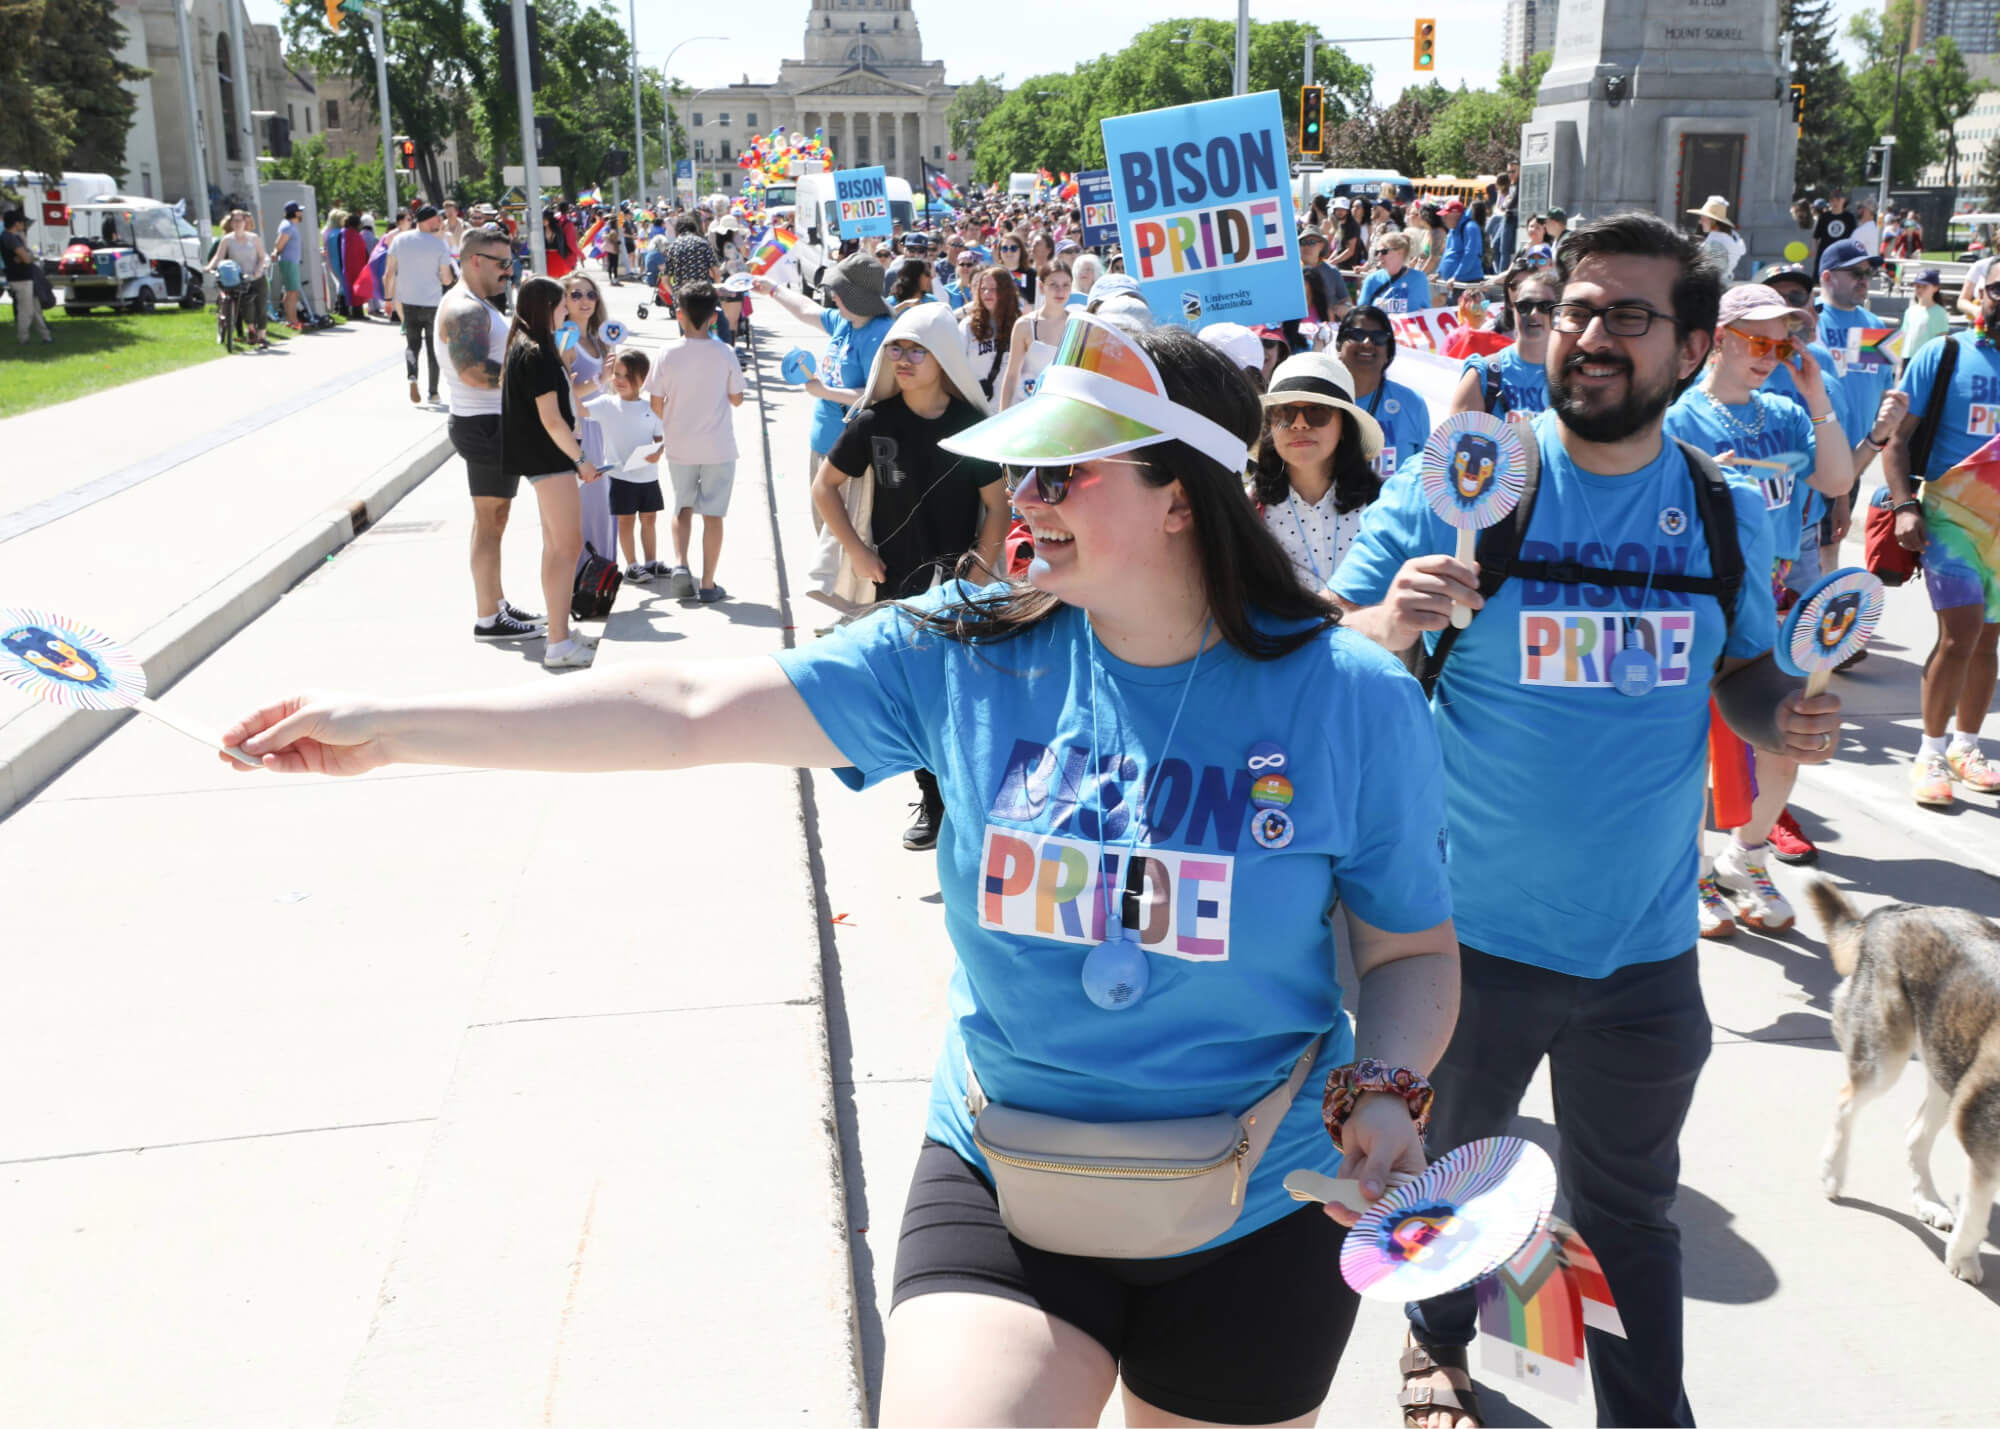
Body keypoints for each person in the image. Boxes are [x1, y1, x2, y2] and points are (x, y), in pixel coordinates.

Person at [221, 310, 1460, 1429]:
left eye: (1062, 470)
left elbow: (1406, 951)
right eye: (1019, 467)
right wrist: (395, 726)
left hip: (1255, 1204)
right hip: (1008, 1174)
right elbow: (688, 706)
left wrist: (1389, 1091)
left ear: (1180, 492)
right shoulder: (962, 651)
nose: (1020, 500)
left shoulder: (1346, 698)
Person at [1333, 211, 1838, 1429]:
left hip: (1644, 955)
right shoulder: (1472, 479)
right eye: (1572, 309)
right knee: (1449, 1182)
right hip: (1468, 947)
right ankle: (1434, 1344)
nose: (1591, 335)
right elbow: (1323, 653)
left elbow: (1746, 672)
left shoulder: (1718, 508)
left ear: (1688, 346)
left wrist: (1788, 716)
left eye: (1626, 315)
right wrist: (1391, 619)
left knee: (1630, 1211)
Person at [1662, 283, 1854, 936]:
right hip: (1695, 605)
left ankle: (1745, 855)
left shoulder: (1786, 413)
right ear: (1719, 338)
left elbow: (1834, 482)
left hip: (1772, 609)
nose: (1770, 353)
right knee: (1688, 747)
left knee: (1783, 743)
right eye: (1757, 339)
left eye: (1781, 341)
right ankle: (1687, 872)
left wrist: (1819, 398)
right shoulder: (1679, 417)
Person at [812, 302, 1010, 850]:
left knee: (962, 700)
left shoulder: (972, 429)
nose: (901, 358)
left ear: (943, 357)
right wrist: (858, 552)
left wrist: (980, 569)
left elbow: (998, 507)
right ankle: (934, 798)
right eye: (895, 347)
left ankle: (962, 798)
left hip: (959, 591)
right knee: (915, 700)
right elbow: (824, 488)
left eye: (915, 349)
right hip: (895, 586)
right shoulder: (876, 422)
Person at [1881, 274, 2000, 806]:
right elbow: (1896, 440)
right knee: (1961, 634)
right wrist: (1905, 504)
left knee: (1988, 641)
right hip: (1951, 515)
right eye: (1999, 287)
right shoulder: (1945, 352)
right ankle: (1929, 753)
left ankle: (1966, 747)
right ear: (1980, 294)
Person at [440, 226, 543, 642]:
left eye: (511, 262)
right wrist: (532, 378)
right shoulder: (465, 309)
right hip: (483, 425)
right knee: (490, 523)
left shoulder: (480, 304)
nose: (509, 270)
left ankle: (495, 602)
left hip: (490, 424)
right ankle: (489, 618)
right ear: (475, 261)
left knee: (493, 521)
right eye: (502, 263)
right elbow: (471, 371)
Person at [500, 275, 602, 669]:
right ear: (546, 308)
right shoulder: (537, 351)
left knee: (557, 548)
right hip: (551, 461)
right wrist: (581, 459)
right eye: (562, 305)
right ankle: (558, 643)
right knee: (566, 547)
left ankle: (560, 632)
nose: (567, 310)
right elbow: (552, 420)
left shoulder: (531, 346)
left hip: (545, 460)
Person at [755, 253, 894, 503]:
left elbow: (875, 395)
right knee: (825, 531)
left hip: (851, 454)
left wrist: (825, 391)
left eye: (838, 291)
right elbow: (806, 309)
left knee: (844, 535)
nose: (833, 296)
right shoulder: (845, 320)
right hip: (823, 445)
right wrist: (773, 289)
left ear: (856, 297)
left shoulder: (879, 334)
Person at [645, 279, 745, 602]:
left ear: (679, 315)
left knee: (682, 507)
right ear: (714, 317)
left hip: (679, 445)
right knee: (714, 515)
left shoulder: (665, 353)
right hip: (718, 447)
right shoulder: (725, 353)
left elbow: (655, 403)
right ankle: (708, 584)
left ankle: (680, 564)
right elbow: (737, 399)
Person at [1253, 352, 1388, 587]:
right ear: (1270, 426)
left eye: (1317, 411)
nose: (1299, 423)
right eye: (1285, 412)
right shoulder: (1246, 510)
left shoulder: (1384, 507)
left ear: (1344, 425)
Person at [582, 349, 667, 584]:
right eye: (616, 374)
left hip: (648, 475)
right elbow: (578, 408)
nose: (620, 381)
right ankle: (631, 565)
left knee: (649, 519)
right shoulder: (606, 404)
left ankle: (651, 562)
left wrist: (659, 451)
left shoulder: (652, 407)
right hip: (621, 477)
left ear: (643, 380)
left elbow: (659, 438)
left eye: (627, 376)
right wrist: (598, 378)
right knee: (626, 520)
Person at [1447, 258, 1556, 423]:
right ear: (1512, 307)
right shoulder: (1482, 374)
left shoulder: (1572, 377)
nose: (1534, 314)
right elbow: (1456, 444)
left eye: (1545, 306)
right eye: (1525, 306)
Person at [1336, 306, 1431, 482]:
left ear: (1389, 352)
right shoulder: (1321, 401)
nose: (1367, 343)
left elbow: (1424, 477)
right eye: (1357, 334)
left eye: (1379, 338)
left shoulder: (1412, 404)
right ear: (1339, 346)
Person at [386, 204, 457, 406]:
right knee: (433, 348)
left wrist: (388, 299)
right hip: (432, 303)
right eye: (436, 219)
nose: (440, 222)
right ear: (428, 220)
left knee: (412, 345)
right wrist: (450, 278)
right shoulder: (438, 245)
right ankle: (433, 393)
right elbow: (445, 279)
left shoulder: (399, 240)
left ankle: (412, 376)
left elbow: (389, 272)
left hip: (408, 301)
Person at [999, 260, 1072, 408]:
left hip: (1063, 410)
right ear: (1041, 286)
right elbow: (1012, 374)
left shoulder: (1077, 324)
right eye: (1053, 285)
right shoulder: (1024, 325)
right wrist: (1002, 414)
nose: (1060, 291)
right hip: (1029, 408)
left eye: (1066, 285)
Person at [207, 211, 270, 351]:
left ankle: (261, 337)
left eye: (239, 220)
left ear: (244, 222)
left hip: (256, 276)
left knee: (261, 307)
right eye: (234, 221)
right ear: (231, 223)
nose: (237, 223)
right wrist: (209, 267)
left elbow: (261, 256)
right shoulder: (227, 239)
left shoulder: (254, 238)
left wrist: (259, 271)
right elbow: (218, 257)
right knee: (246, 306)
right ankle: (251, 330)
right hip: (240, 278)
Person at [956, 264, 1019, 403]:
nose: (986, 294)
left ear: (1006, 292)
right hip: (979, 406)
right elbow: (958, 369)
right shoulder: (967, 326)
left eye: (993, 289)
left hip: (1011, 406)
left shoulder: (1020, 325)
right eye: (983, 289)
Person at [3, 210, 51, 346]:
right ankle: (23, 339)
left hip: (26, 277)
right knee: (26, 310)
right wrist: (27, 255)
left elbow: (24, 256)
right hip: (20, 279)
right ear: (16, 223)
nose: (24, 225)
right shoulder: (9, 238)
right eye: (22, 222)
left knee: (36, 309)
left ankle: (46, 336)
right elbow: (26, 258)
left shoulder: (16, 237)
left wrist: (25, 253)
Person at [1356, 233, 1430, 315]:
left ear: (1400, 252)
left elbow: (1426, 312)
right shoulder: (1372, 279)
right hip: (1381, 327)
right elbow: (1361, 313)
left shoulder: (1419, 279)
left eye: (1384, 252)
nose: (1379, 256)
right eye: (1377, 252)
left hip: (1406, 327)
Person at [1686, 195, 1745, 280]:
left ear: (1713, 220)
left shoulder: (1716, 242)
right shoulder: (1724, 238)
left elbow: (1713, 275)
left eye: (1703, 218)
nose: (1700, 222)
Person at [1898, 267, 1950, 360]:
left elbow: (1942, 339)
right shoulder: (1910, 311)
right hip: (1907, 358)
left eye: (1925, 287)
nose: (1920, 290)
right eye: (1918, 286)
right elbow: (1903, 337)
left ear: (1935, 288)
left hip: (1926, 358)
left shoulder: (1940, 312)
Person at [271, 200, 307, 331]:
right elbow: (279, 244)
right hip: (289, 262)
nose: (301, 213)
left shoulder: (290, 225)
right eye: (300, 211)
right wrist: (276, 252)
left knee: (291, 292)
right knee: (292, 292)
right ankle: (293, 321)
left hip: (291, 261)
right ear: (295, 212)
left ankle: (291, 320)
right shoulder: (287, 226)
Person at [1434, 198, 1484, 290]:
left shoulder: (1470, 227)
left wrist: (1456, 277)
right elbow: (1446, 253)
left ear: (1456, 214)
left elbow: (1470, 255)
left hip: (1467, 283)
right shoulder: (1453, 230)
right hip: (1455, 283)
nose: (1443, 219)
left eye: (1446, 216)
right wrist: (1439, 273)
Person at [1811, 194, 1854, 270]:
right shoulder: (1824, 217)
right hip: (1825, 254)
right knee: (1820, 278)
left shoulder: (1849, 217)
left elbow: (1853, 237)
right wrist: (1814, 250)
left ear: (1843, 201)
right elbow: (1815, 236)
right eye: (1832, 200)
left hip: (1842, 255)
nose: (1835, 203)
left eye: (1838, 200)